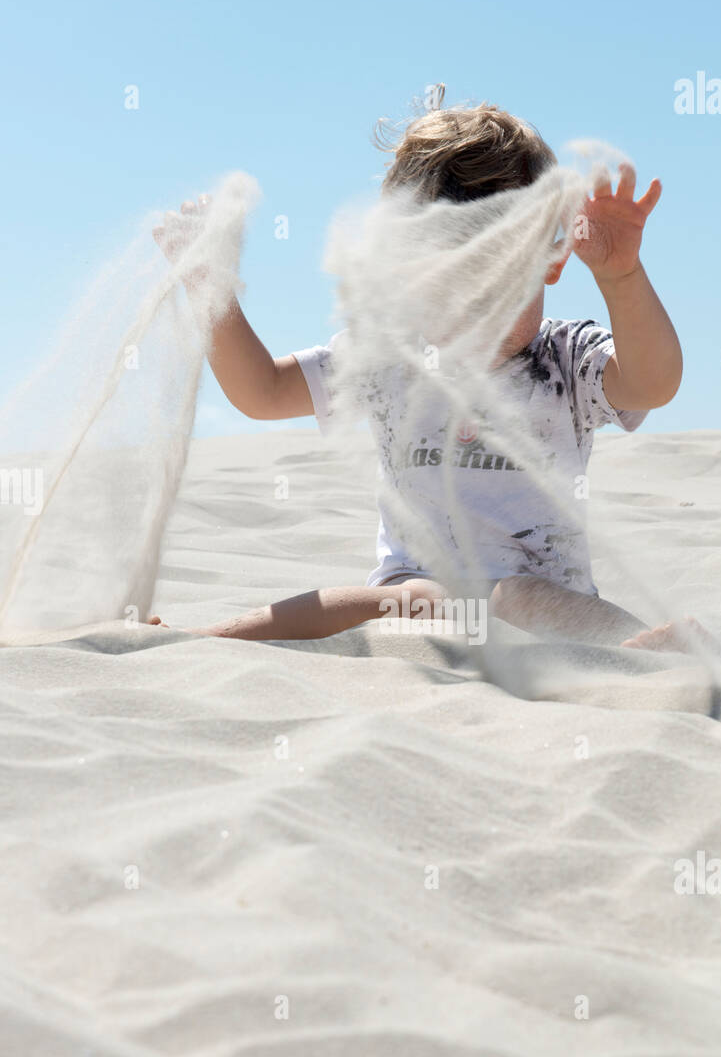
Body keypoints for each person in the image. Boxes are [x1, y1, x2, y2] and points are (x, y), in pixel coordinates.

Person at [153, 95, 684, 648]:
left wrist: (622, 279)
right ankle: (206, 639)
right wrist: (211, 293)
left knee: (512, 596)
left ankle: (642, 650)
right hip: (417, 604)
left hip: (546, 613)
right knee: (402, 597)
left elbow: (653, 383)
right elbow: (261, 392)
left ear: (551, 262)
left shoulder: (566, 360)